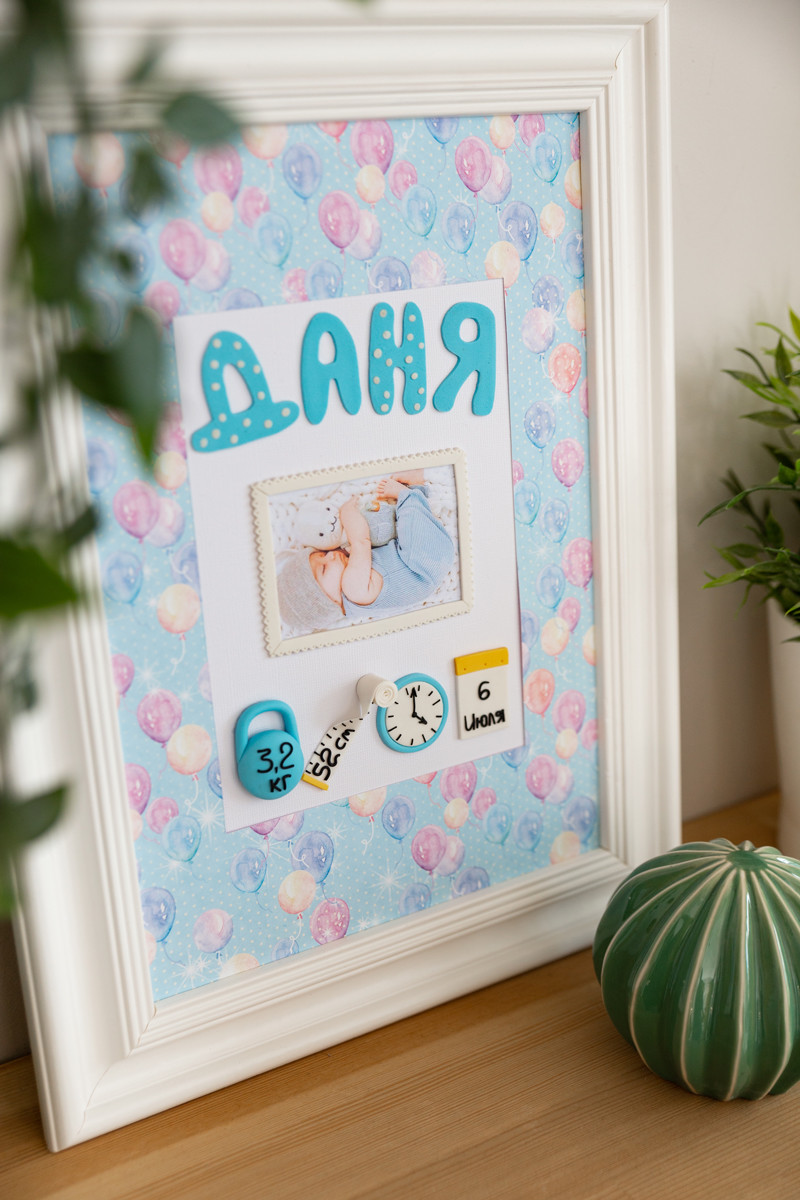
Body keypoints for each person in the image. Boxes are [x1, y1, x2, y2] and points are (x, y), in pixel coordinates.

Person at [277, 470, 454, 633]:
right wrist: (347, 512)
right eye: (324, 569)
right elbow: (361, 542)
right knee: (412, 524)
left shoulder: (354, 603)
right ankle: (408, 494)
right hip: (422, 563)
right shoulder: (352, 588)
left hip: (422, 565)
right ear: (328, 602)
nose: (330, 555)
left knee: (412, 525)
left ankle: (416, 492)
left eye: (322, 555)